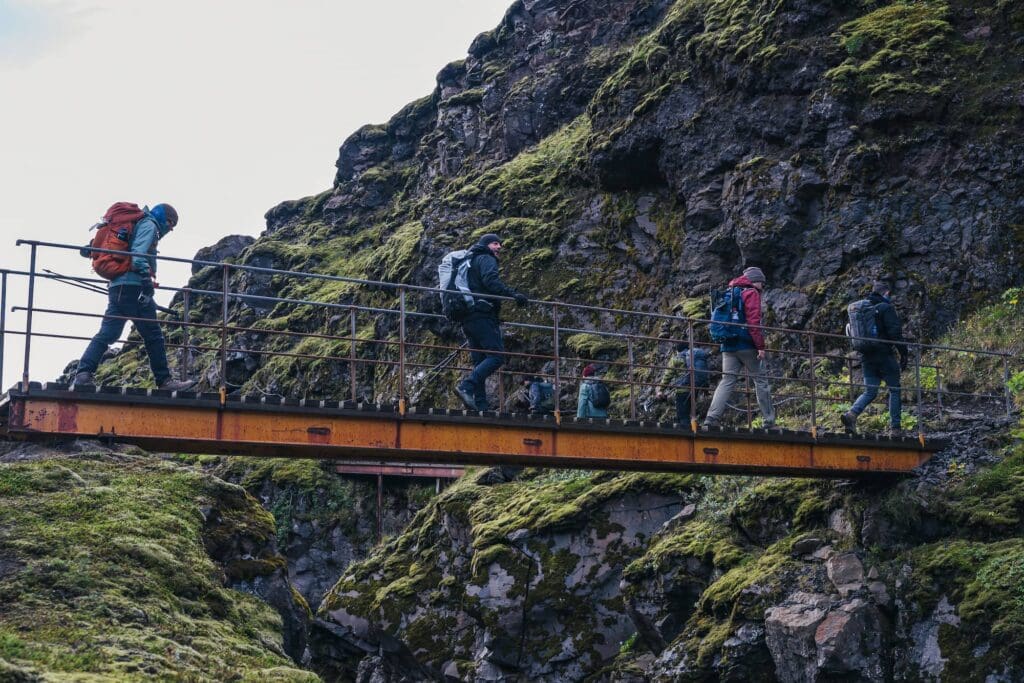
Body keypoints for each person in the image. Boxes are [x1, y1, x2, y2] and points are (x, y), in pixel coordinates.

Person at [73, 204, 196, 391]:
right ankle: (165, 382)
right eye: (171, 224)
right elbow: (138, 255)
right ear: (165, 219)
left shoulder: (135, 223)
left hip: (117, 286)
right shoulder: (149, 225)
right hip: (134, 286)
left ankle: (83, 374)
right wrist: (146, 282)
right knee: (153, 336)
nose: (170, 229)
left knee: (108, 333)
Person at [453, 233, 529, 410]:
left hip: (468, 317)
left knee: (480, 362)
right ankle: (466, 386)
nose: (499, 247)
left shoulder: (469, 262)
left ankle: (480, 405)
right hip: (482, 314)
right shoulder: (486, 259)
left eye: (500, 244)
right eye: (495, 243)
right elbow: (491, 282)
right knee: (496, 356)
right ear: (486, 245)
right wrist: (513, 295)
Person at [704, 266, 775, 428]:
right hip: (746, 345)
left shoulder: (730, 292)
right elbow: (753, 322)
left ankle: (711, 418)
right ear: (755, 281)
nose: (762, 287)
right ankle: (769, 420)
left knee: (727, 380)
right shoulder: (751, 293)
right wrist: (760, 346)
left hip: (728, 345)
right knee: (760, 380)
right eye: (761, 283)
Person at [841, 281, 909, 435]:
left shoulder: (862, 310)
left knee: (870, 391)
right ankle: (895, 428)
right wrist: (904, 353)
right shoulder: (885, 308)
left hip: (866, 357)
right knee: (895, 389)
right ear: (886, 293)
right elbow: (895, 334)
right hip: (884, 356)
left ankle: (851, 415)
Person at [656, 343, 710, 427]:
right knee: (691, 413)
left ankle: (688, 435)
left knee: (683, 415)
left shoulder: (676, 359)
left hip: (682, 391)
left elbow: (668, 376)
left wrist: (661, 390)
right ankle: (693, 429)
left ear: (677, 350)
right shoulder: (693, 357)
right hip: (695, 389)